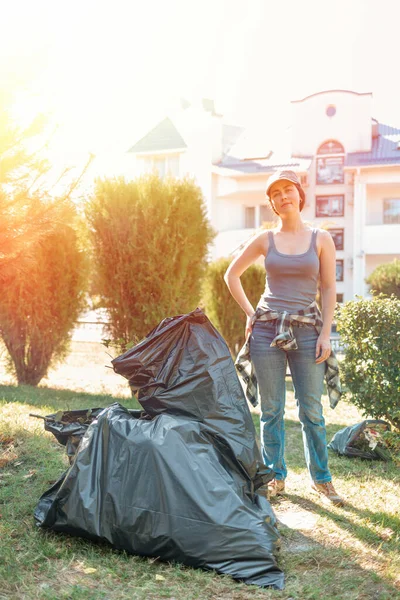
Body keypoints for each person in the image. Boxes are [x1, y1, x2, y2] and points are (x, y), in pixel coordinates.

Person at [224, 170, 343, 506]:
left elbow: (329, 287)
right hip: (267, 330)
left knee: (311, 411)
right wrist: (250, 313)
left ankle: (322, 481)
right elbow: (231, 274)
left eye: (287, 190)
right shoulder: (265, 240)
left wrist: (325, 333)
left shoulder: (321, 238)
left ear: (299, 195)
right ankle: (276, 477)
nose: (282, 196)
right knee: (272, 410)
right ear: (272, 203)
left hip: (307, 330)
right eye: (275, 193)